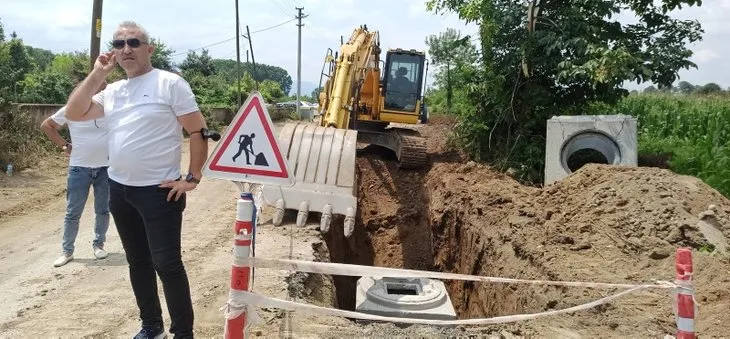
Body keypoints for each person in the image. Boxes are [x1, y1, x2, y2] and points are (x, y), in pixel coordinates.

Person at [64, 21, 208, 339]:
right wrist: (98, 73)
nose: (126, 49)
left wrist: (192, 178)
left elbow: (198, 131)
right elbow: (74, 112)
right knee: (138, 262)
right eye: (119, 44)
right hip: (120, 189)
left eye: (133, 42)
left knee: (167, 265)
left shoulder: (169, 84)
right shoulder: (112, 91)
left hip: (160, 192)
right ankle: (151, 327)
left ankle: (183, 333)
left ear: (149, 49)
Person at [40, 83, 110, 268]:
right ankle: (67, 251)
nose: (98, 94)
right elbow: (47, 126)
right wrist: (64, 145)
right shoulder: (70, 110)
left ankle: (98, 245)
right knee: (73, 212)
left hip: (106, 168)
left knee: (103, 210)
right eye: (94, 90)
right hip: (79, 168)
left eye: (101, 90)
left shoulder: (109, 109)